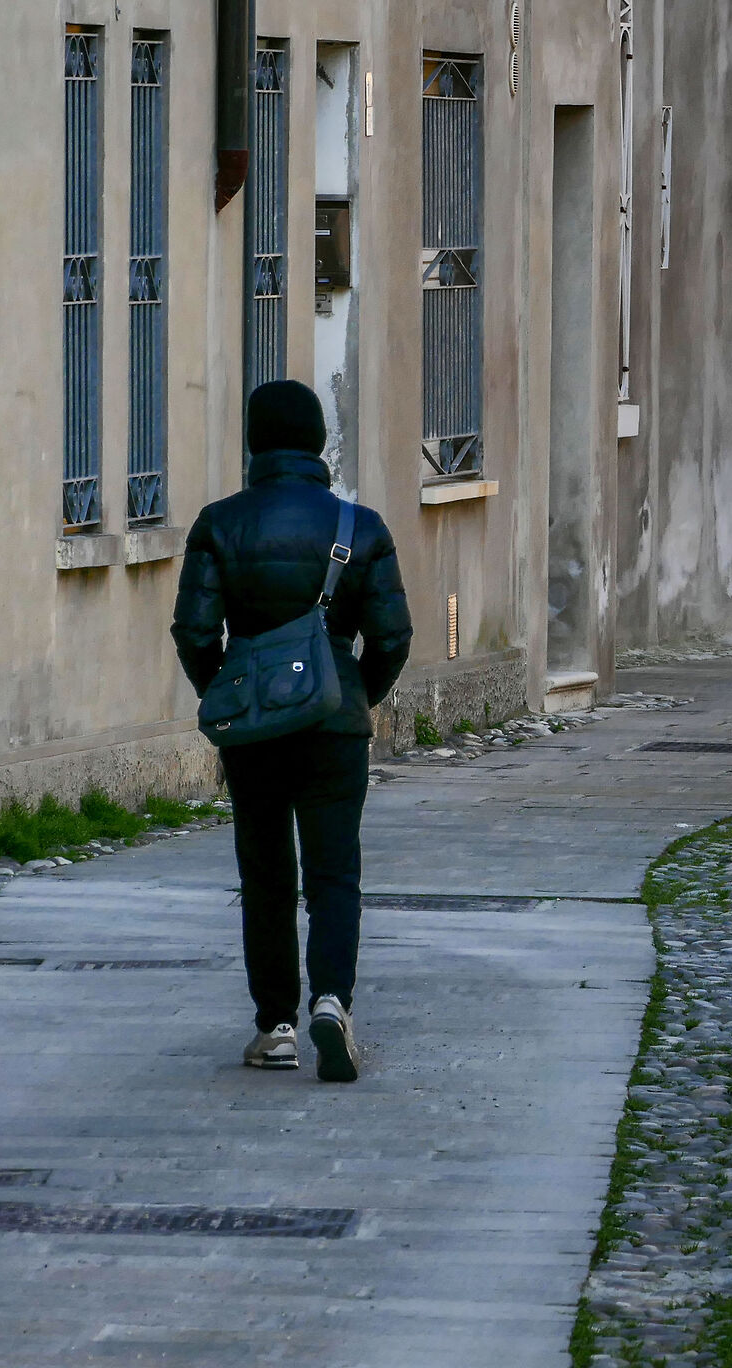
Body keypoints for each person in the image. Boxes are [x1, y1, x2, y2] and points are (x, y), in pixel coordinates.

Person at [172, 381, 411, 1081]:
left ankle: (274, 1025)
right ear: (316, 442)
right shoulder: (358, 528)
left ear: (253, 441)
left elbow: (192, 630)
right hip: (334, 721)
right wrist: (355, 695)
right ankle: (332, 1002)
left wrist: (227, 691)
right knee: (336, 872)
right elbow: (392, 635)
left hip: (253, 728)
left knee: (267, 872)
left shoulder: (219, 523)